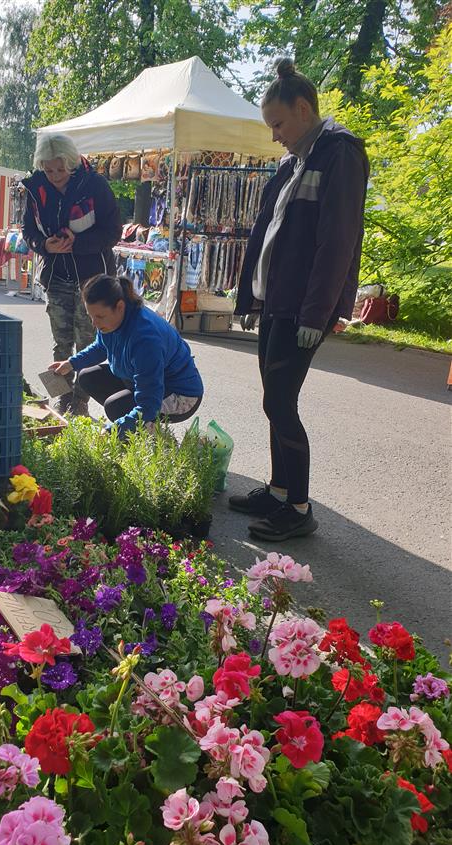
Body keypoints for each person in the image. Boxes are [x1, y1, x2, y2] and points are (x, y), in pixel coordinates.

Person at [231, 57, 369, 542]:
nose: (274, 135)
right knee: (274, 401)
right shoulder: (293, 162)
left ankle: (300, 507)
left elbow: (338, 240)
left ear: (304, 109)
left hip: (302, 309)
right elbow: (264, 233)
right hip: (277, 302)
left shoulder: (340, 154)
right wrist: (250, 296)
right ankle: (278, 487)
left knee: (282, 402)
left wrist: (317, 312)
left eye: (278, 124)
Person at [22, 133, 122, 415]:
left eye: (60, 169)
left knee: (87, 343)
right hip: (56, 278)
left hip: (91, 279)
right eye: (48, 169)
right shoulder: (35, 188)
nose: (54, 175)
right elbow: (27, 230)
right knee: (61, 343)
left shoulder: (95, 185)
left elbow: (113, 231)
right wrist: (44, 245)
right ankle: (61, 399)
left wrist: (78, 244)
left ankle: (79, 404)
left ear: (72, 162)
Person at [50, 274, 203, 436]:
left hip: (179, 393)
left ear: (120, 307)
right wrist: (71, 363)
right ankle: (140, 427)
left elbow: (149, 403)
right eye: (91, 316)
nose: (94, 323)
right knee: (87, 376)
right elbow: (101, 347)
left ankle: (155, 439)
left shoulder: (145, 339)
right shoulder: (111, 321)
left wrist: (114, 430)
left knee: (116, 407)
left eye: (99, 316)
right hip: (145, 381)